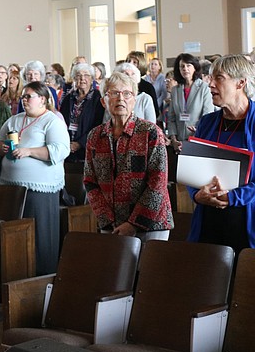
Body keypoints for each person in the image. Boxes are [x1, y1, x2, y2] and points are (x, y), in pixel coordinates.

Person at [84, 72, 173, 241]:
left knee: (148, 268)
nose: (121, 99)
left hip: (150, 224)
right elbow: (90, 182)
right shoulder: (95, 136)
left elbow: (158, 182)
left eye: (127, 93)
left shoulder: (150, 132)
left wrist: (133, 224)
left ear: (135, 100)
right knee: (114, 267)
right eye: (114, 93)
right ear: (104, 101)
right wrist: (108, 220)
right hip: (112, 225)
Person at [0, 81, 70, 275]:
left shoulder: (52, 121)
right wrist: (1, 147)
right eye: (23, 96)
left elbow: (61, 150)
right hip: (11, 187)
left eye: (29, 96)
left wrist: (29, 151)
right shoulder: (14, 119)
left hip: (40, 189)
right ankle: (17, 275)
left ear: (43, 99)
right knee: (15, 235)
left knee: (40, 236)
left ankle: (43, 277)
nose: (25, 100)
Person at [188, 54, 255, 253]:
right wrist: (198, 195)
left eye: (219, 78)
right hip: (209, 221)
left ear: (240, 82)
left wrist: (232, 197)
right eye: (210, 78)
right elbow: (192, 170)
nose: (210, 85)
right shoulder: (207, 123)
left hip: (246, 221)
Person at [167, 53, 214, 154]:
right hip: (178, 142)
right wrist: (174, 140)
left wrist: (197, 132)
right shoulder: (175, 90)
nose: (185, 69)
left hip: (197, 140)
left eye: (188, 65)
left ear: (195, 68)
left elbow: (208, 116)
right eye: (182, 66)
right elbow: (171, 118)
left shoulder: (204, 88)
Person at [59, 63, 105, 165]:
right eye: (78, 75)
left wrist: (80, 143)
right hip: (67, 148)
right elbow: (61, 121)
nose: (82, 78)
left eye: (86, 75)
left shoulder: (98, 98)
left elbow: (98, 125)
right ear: (74, 78)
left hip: (88, 149)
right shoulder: (68, 98)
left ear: (92, 78)